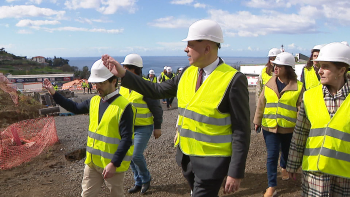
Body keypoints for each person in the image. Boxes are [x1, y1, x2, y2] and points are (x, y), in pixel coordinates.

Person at [102, 19, 251, 197]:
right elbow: (156, 90)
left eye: (190, 44)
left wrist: (235, 171)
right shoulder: (186, 74)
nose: (185, 49)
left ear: (207, 48)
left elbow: (241, 131)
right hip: (187, 159)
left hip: (213, 163)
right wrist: (124, 74)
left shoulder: (233, 80)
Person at [43, 59, 135, 197]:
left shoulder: (125, 106)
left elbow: (127, 139)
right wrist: (54, 93)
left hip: (111, 165)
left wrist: (114, 164)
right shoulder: (94, 101)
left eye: (101, 83)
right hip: (92, 162)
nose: (97, 86)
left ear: (114, 81)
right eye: (96, 83)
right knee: (86, 194)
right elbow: (73, 107)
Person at [287, 42, 350, 196]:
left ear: (342, 70)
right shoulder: (309, 96)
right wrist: (292, 165)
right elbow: (300, 133)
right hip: (315, 175)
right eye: (319, 66)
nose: (319, 71)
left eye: (325, 66)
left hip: (345, 176)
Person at [253, 52, 304, 197]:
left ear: (288, 68)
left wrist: (301, 128)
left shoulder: (298, 87)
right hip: (269, 127)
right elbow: (261, 104)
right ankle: (272, 186)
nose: (275, 68)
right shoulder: (269, 84)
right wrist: (257, 121)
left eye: (279, 66)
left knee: (287, 154)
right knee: (272, 155)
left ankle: (285, 167)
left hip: (289, 128)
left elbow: (301, 109)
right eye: (275, 65)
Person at [118, 54, 163, 195]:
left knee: (136, 155)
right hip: (128, 127)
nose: (123, 70)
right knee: (129, 154)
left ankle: (146, 179)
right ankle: (137, 182)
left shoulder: (145, 86)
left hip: (144, 127)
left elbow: (156, 108)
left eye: (126, 68)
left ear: (135, 69)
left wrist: (158, 127)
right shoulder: (123, 87)